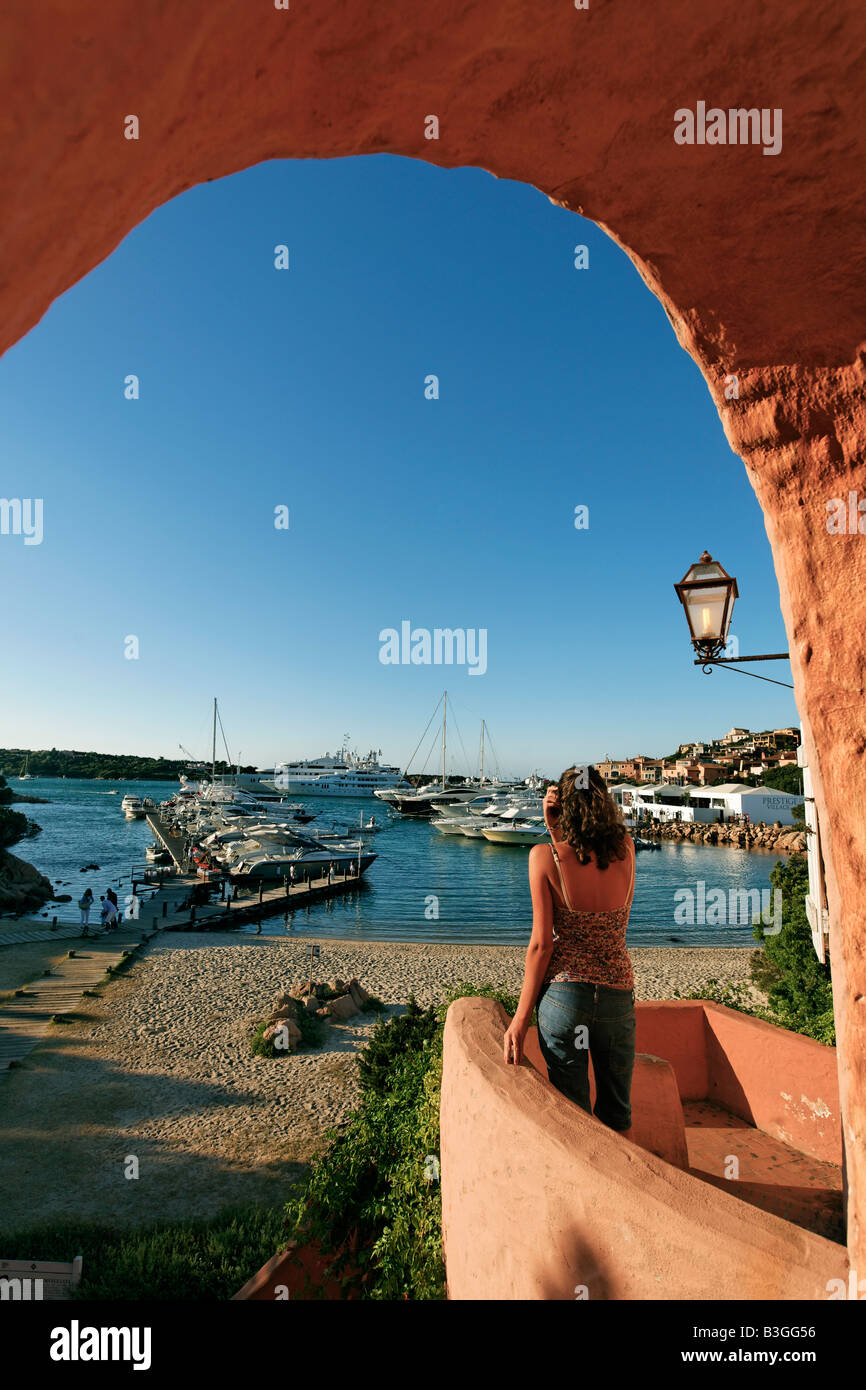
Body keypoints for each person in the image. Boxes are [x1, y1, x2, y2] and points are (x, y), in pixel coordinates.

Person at [503, 764, 637, 1135]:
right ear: (604, 802)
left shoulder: (544, 857)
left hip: (565, 1000)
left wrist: (520, 1019)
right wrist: (557, 827)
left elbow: (541, 945)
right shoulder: (627, 849)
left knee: (574, 1120)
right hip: (616, 996)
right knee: (617, 1115)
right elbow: (589, 853)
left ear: (562, 807)